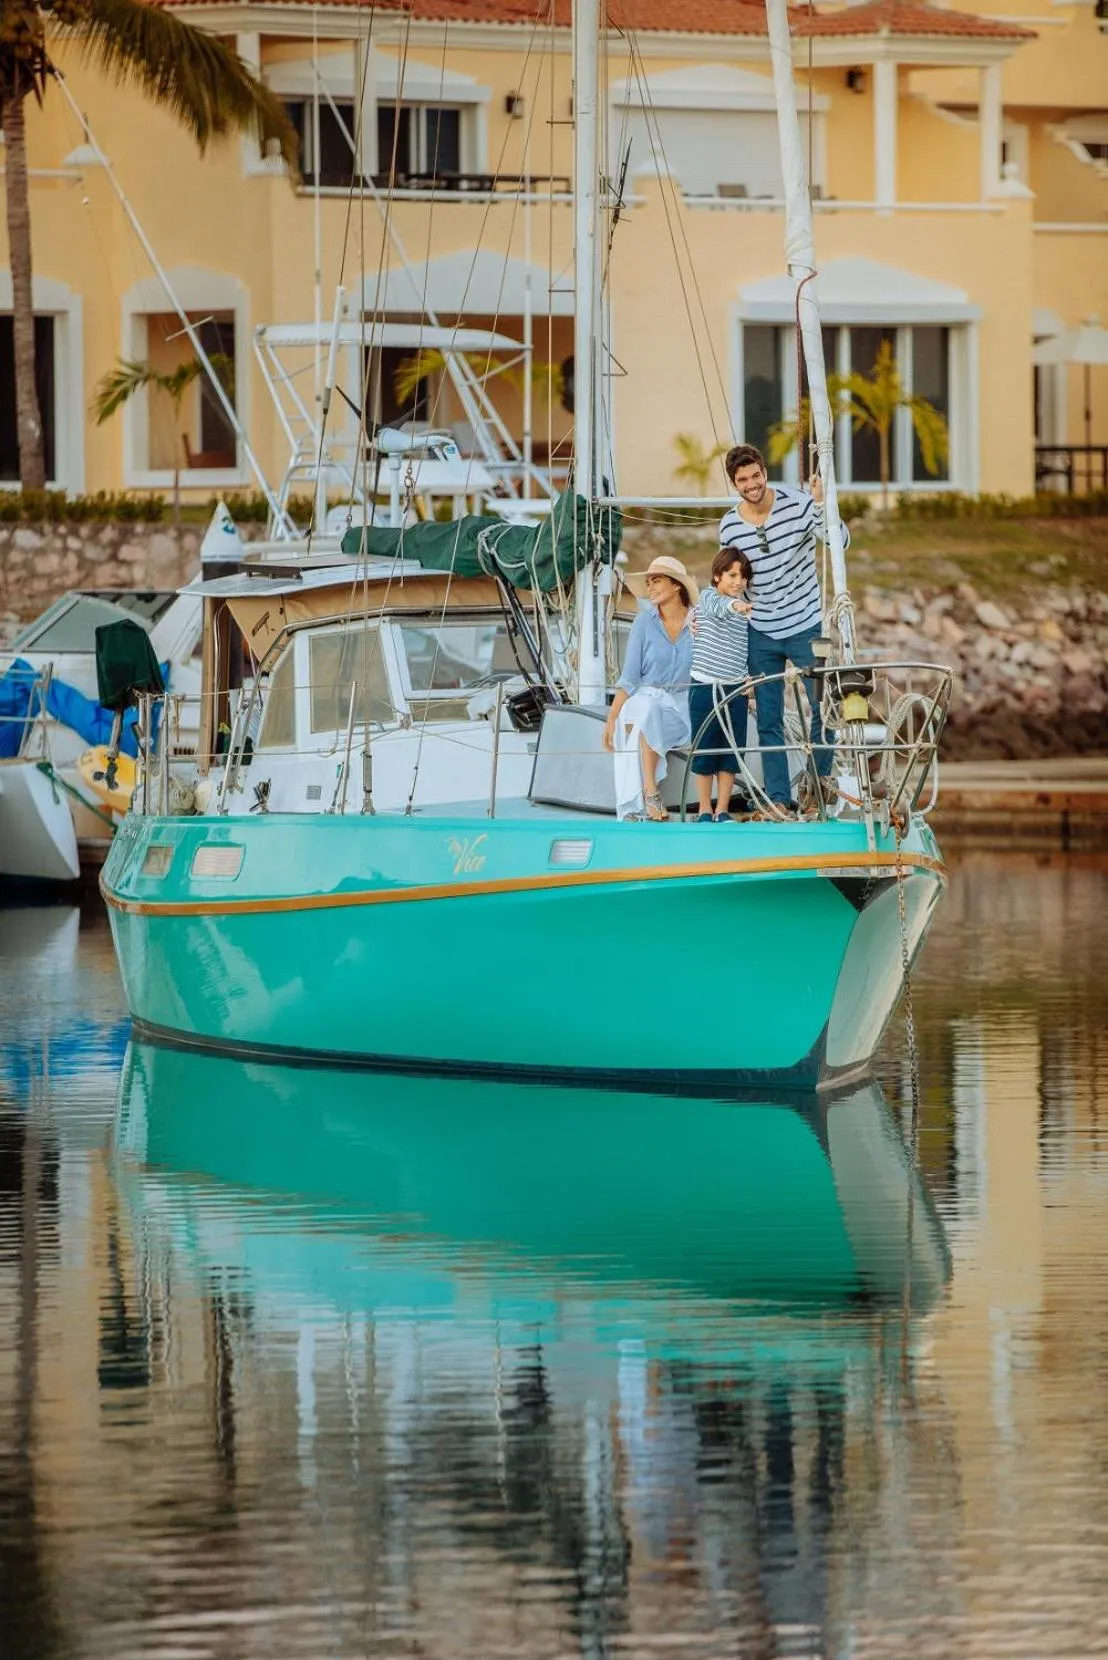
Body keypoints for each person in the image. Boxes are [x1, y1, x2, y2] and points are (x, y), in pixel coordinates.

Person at [718, 443, 850, 815]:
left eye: (756, 475)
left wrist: (823, 504)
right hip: (759, 631)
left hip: (805, 624)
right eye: (743, 480)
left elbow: (839, 542)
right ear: (735, 483)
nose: (751, 484)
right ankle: (779, 798)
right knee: (769, 719)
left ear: (764, 471)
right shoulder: (729, 525)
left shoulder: (799, 503)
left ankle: (817, 785)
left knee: (824, 707)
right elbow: (731, 581)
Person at [603, 555, 696, 821]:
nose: (651, 587)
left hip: (683, 705)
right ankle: (650, 792)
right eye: (649, 582)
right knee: (649, 706)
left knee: (654, 710)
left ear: (677, 585)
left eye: (657, 581)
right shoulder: (644, 622)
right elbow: (630, 677)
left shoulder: (697, 622)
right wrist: (611, 719)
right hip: (645, 699)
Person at [688, 547, 754, 822]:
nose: (738, 582)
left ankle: (723, 808)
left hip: (735, 689)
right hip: (705, 686)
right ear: (717, 576)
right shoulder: (708, 598)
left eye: (743, 577)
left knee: (731, 751)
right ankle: (704, 807)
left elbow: (746, 649)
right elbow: (718, 609)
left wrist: (749, 686)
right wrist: (735, 605)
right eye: (732, 575)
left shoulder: (746, 613)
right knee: (704, 748)